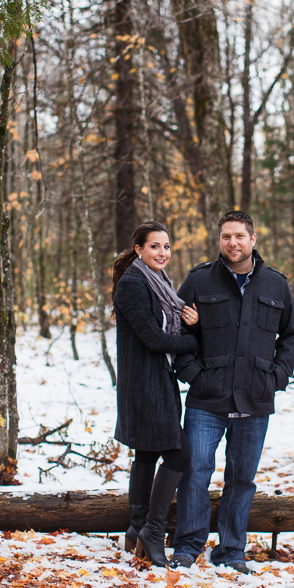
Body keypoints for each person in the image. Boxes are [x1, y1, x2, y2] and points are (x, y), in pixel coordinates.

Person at [170, 210, 294, 573]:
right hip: (206, 399)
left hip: (255, 398)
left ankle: (231, 551)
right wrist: (193, 374)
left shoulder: (276, 284)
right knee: (196, 471)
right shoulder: (199, 280)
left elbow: (291, 336)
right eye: (226, 236)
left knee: (241, 479)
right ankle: (187, 546)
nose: (233, 243)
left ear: (253, 239)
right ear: (220, 240)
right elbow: (177, 331)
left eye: (240, 236)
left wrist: (276, 377)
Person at [112, 221, 200, 567]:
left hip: (152, 380)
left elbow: (164, 328)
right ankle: (152, 529)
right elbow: (155, 339)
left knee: (147, 454)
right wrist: (193, 340)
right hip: (145, 385)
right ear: (139, 250)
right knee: (178, 456)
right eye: (154, 246)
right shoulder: (135, 284)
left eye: (166, 246)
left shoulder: (157, 281)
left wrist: (188, 321)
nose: (162, 253)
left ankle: (136, 529)